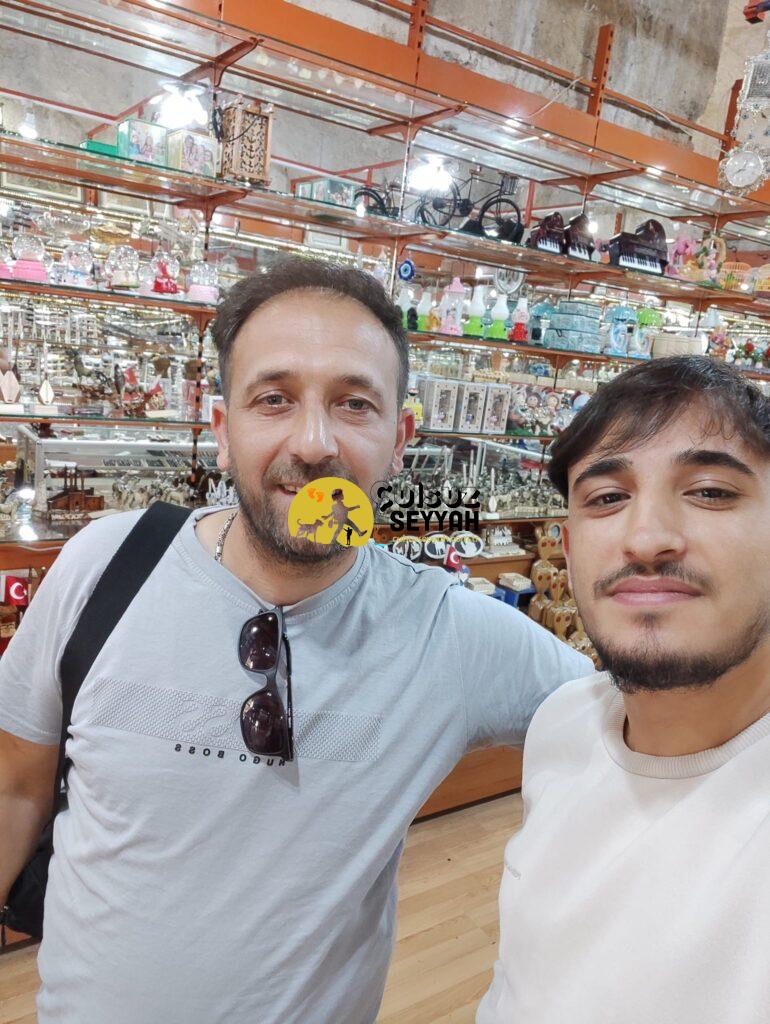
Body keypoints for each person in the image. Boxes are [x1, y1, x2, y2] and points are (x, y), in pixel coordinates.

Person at [0, 256, 591, 1024]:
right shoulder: (103, 566)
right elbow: (16, 785)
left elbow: (642, 719)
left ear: (399, 439)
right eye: (274, 399)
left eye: (354, 404)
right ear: (223, 431)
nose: (313, 444)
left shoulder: (447, 631)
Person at [478, 356, 770, 1024]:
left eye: (710, 492)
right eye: (607, 498)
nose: (646, 540)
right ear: (567, 544)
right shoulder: (563, 722)